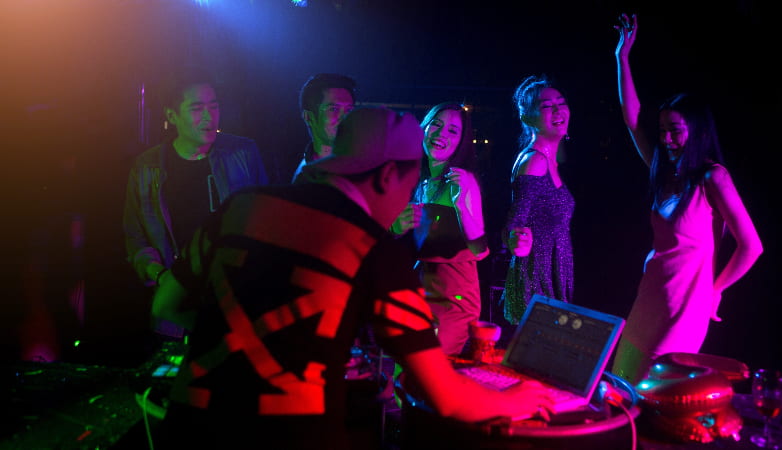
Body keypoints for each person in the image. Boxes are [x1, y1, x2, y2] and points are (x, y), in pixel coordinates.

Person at [150, 107, 555, 449]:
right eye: (410, 184)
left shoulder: (241, 206)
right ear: (386, 177)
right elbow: (444, 396)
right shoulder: (373, 248)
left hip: (185, 432)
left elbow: (165, 305)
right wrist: (518, 397)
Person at [609, 14, 763, 384]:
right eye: (663, 131)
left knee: (656, 390)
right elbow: (632, 120)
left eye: (675, 130)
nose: (666, 139)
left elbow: (751, 246)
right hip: (650, 293)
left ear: (696, 131)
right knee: (622, 385)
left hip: (686, 302)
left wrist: (715, 290)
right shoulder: (663, 172)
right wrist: (622, 58)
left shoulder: (712, 177)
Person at [123, 64, 269, 342]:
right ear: (171, 116)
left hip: (234, 299)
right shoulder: (147, 168)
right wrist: (161, 275)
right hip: (176, 304)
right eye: (196, 109)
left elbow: (266, 221)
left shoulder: (243, 153)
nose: (209, 117)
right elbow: (135, 237)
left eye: (214, 107)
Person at [390, 102, 489, 357]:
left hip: (454, 296)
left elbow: (479, 250)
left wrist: (461, 207)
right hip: (420, 285)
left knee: (431, 369)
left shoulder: (462, 180)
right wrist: (395, 227)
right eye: (436, 124)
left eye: (453, 131)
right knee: (405, 368)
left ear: (460, 142)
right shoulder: (417, 179)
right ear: (424, 128)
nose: (441, 134)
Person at [501, 75, 576, 325]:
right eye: (546, 106)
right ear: (528, 117)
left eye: (561, 102)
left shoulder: (549, 161)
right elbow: (514, 224)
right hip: (536, 283)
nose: (558, 110)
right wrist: (515, 240)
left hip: (550, 277)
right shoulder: (534, 162)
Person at [291, 72, 357, 183]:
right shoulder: (304, 178)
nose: (345, 118)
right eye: (333, 109)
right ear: (309, 117)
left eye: (349, 110)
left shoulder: (366, 169)